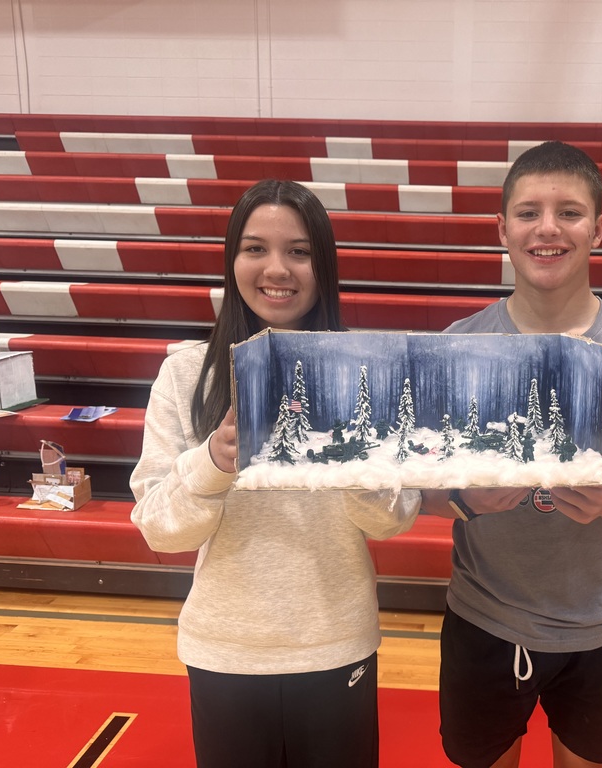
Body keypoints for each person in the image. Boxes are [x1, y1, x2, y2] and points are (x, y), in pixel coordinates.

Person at [130, 179, 420, 768]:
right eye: (256, 248)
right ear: (232, 258)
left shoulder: (365, 372)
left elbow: (396, 517)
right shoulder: (188, 374)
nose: (277, 269)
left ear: (324, 265)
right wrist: (215, 461)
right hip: (225, 652)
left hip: (336, 645)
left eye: (300, 251)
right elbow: (159, 530)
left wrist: (350, 459)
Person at [423, 141, 602, 768]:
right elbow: (418, 496)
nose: (547, 228)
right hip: (485, 620)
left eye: (569, 212)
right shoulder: (459, 346)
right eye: (528, 212)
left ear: (598, 228)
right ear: (502, 229)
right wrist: (465, 499)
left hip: (601, 625)